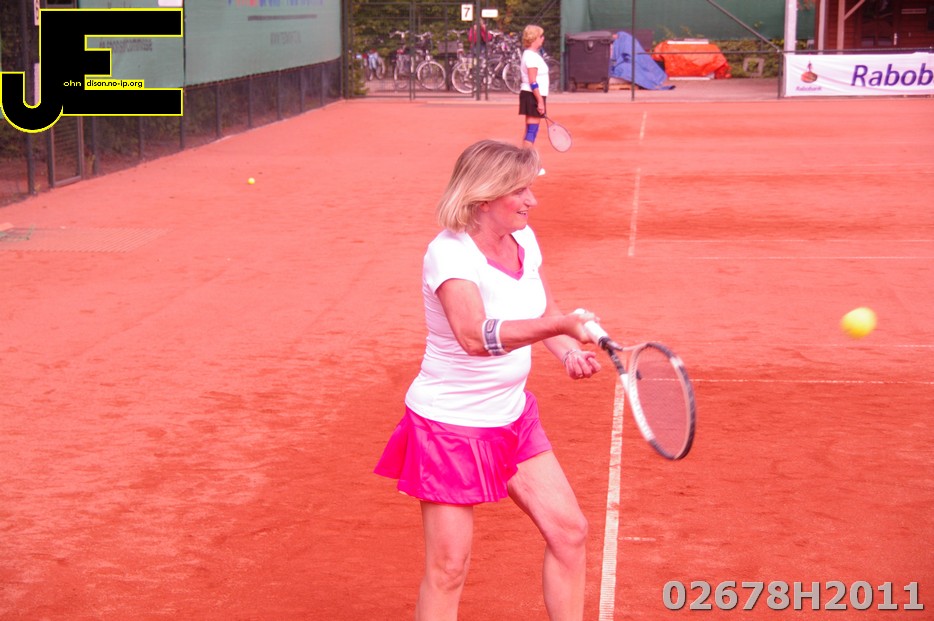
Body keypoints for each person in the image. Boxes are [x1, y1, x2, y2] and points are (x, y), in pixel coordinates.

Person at [375, 139, 602, 621]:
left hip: (512, 416)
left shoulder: (524, 239)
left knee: (569, 533)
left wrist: (566, 351)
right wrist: (559, 327)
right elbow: (474, 337)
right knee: (449, 568)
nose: (531, 200)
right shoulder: (449, 255)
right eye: (519, 191)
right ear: (483, 197)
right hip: (450, 427)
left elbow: (544, 308)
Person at [519, 25, 549, 153]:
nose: (543, 38)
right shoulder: (531, 57)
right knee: (532, 130)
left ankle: (524, 159)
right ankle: (526, 160)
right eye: (541, 36)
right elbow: (533, 81)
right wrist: (540, 101)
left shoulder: (531, 55)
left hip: (532, 94)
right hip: (533, 95)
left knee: (530, 129)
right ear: (534, 38)